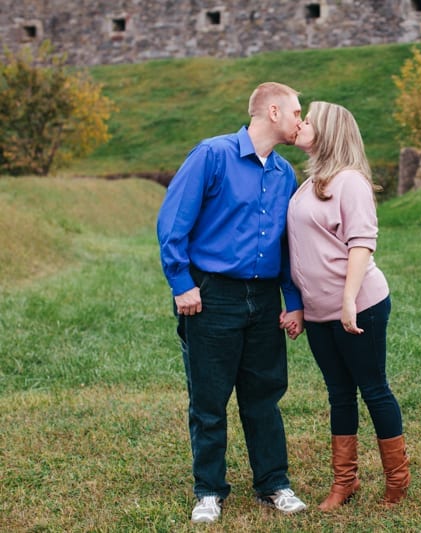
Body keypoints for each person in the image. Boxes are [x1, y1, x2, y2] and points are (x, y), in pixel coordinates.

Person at [156, 82, 307, 524]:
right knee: (208, 398)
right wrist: (181, 282)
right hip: (211, 296)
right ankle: (208, 490)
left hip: (263, 300)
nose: (302, 120)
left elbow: (287, 244)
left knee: (264, 395)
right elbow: (173, 221)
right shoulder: (212, 155)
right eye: (297, 111)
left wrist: (292, 301)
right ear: (273, 111)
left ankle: (273, 483)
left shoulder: (284, 174)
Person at [287, 101, 410, 511]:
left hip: (358, 307)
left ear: (329, 131)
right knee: (339, 395)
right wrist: (300, 305)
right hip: (319, 312)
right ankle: (345, 483)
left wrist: (347, 301)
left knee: (374, 390)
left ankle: (397, 483)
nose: (300, 123)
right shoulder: (310, 183)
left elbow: (362, 242)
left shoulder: (350, 182)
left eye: (308, 119)